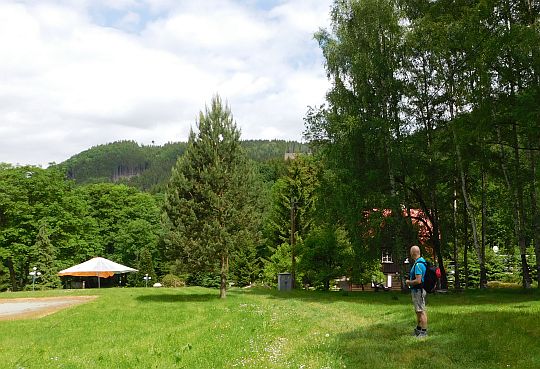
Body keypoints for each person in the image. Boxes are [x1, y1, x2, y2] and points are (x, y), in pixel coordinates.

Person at [405, 245, 428, 337]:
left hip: (418, 291)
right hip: (419, 290)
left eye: (411, 252)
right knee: (418, 311)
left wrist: (408, 282)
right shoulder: (422, 262)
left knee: (421, 311)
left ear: (413, 253)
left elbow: (418, 280)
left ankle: (424, 332)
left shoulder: (418, 264)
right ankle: (418, 329)